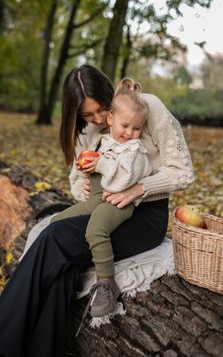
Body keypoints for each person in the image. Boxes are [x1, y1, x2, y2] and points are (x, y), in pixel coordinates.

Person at [0, 65, 195, 357]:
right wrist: (88, 189)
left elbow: (183, 173)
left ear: (111, 95)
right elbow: (77, 183)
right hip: (102, 207)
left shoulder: (146, 108)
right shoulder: (88, 128)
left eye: (102, 109)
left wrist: (136, 188)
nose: (99, 119)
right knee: (62, 266)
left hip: (143, 216)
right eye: (88, 115)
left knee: (54, 237)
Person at [50, 82, 151, 318]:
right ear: (111, 119)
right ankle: (70, 273)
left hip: (118, 203)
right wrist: (86, 169)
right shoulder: (104, 142)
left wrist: (102, 164)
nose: (129, 133)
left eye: (137, 128)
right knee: (58, 223)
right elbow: (93, 172)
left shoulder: (135, 151)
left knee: (95, 229)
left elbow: (127, 178)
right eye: (125, 125)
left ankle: (107, 283)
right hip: (96, 199)